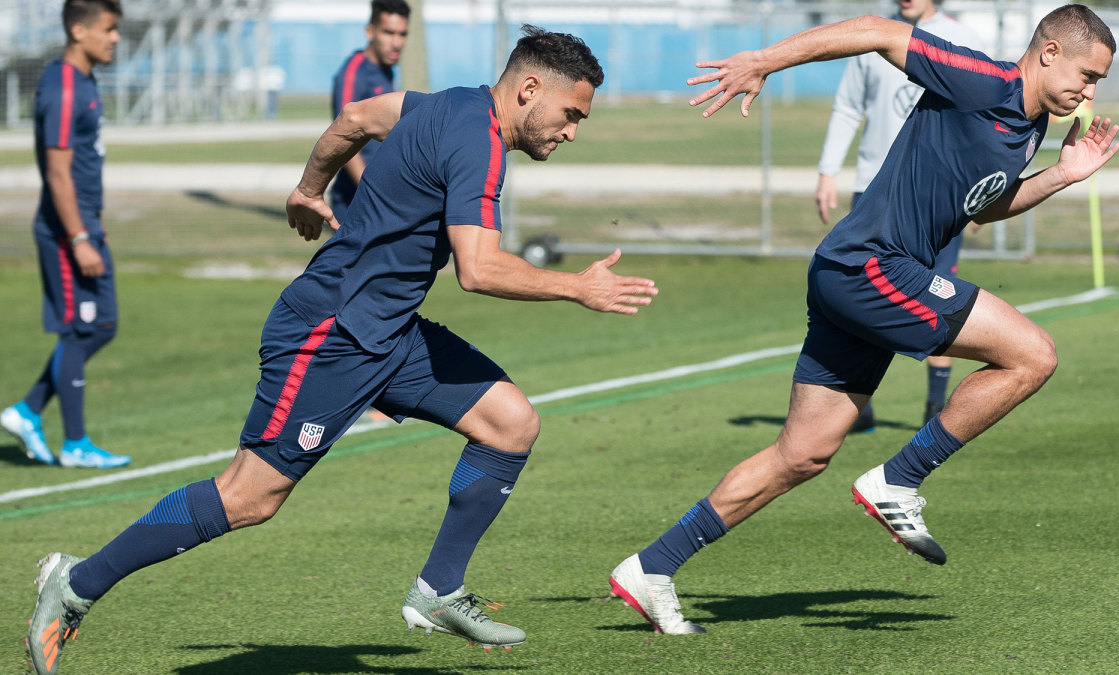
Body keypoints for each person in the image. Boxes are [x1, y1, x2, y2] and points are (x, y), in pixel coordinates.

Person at [27, 25, 658, 673]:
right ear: (529, 89)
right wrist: (577, 287)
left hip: (389, 331)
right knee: (251, 496)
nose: (572, 130)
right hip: (329, 333)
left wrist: (310, 187)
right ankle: (77, 582)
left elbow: (356, 118)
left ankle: (438, 588)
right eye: (571, 113)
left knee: (510, 422)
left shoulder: (445, 102)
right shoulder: (480, 142)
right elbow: (479, 268)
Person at [610, 4, 1119, 634]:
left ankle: (652, 566)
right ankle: (898, 479)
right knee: (1033, 354)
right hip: (870, 267)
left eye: (1100, 81)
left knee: (801, 455)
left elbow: (982, 209)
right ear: (1049, 53)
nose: (1091, 91)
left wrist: (1062, 176)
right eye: (1088, 74)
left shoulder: (1030, 124)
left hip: (853, 275)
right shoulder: (986, 80)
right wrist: (763, 61)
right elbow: (878, 30)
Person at [816, 0, 983, 433]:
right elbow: (849, 106)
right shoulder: (873, 36)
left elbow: (983, 121)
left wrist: (981, 196)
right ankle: (856, 405)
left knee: (941, 294)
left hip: (935, 197)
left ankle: (934, 404)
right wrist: (827, 171)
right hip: (873, 189)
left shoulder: (963, 39)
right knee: (865, 296)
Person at [1, 0, 130, 470]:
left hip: (87, 224)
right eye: (109, 29)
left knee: (105, 324)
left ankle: (28, 409)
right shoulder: (63, 88)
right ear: (79, 30)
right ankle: (75, 443)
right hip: (63, 234)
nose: (116, 38)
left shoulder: (87, 81)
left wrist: (94, 223)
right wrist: (77, 236)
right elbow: (57, 174)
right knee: (80, 328)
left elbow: (82, 166)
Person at [329, 0, 410, 224]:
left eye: (402, 34)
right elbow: (342, 138)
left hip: (382, 198)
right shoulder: (353, 72)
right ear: (370, 31)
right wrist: (376, 195)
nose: (396, 43)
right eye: (388, 32)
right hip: (357, 201)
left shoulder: (386, 72)